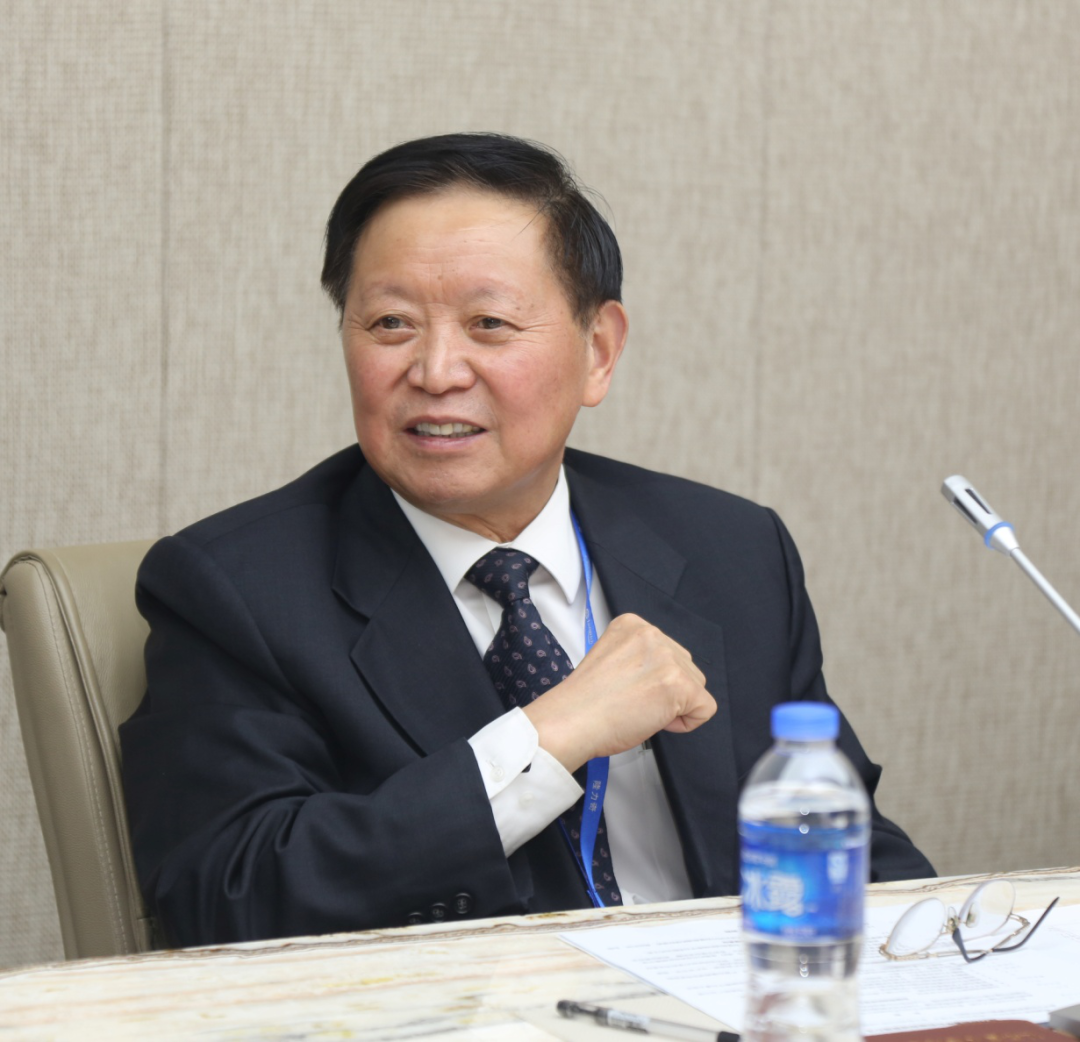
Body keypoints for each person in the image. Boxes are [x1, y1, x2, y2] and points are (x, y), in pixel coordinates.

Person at [120, 133, 933, 948]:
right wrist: (549, 737)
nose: (437, 371)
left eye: (490, 323)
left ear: (598, 352)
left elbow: (844, 843)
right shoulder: (238, 589)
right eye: (391, 323)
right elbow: (226, 897)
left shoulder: (730, 549)